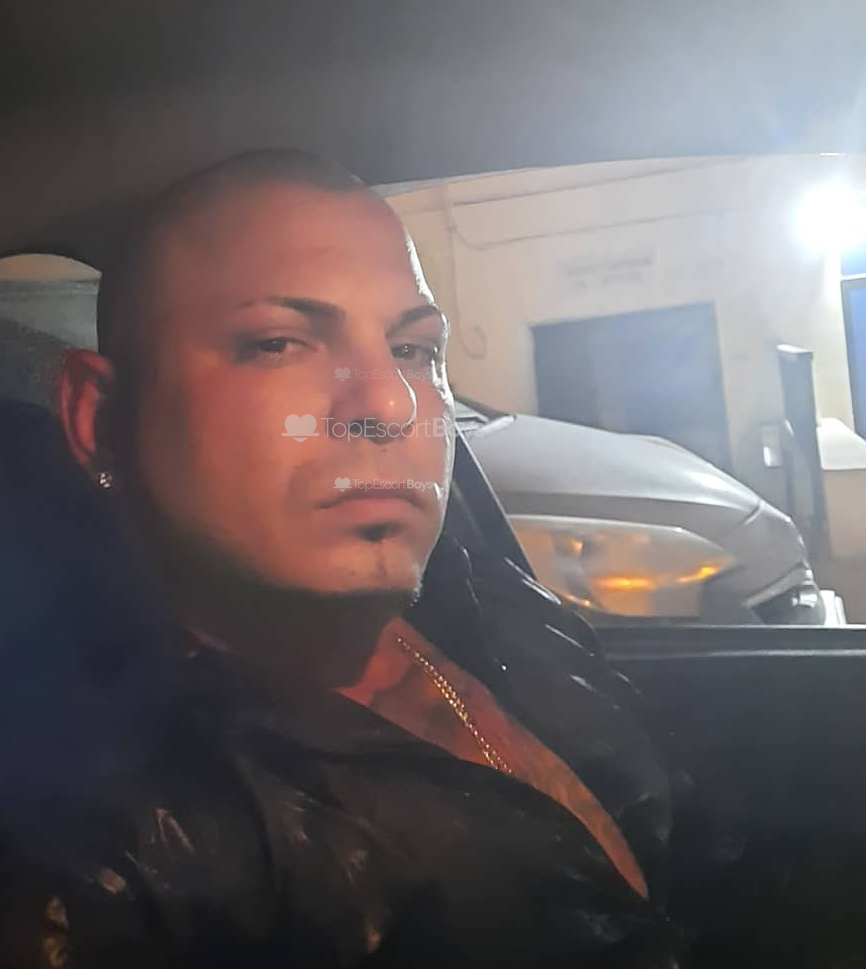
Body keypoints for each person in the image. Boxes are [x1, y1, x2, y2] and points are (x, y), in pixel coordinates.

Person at [48, 148, 679, 966]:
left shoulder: (492, 602)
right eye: (278, 343)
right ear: (100, 419)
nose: (390, 401)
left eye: (412, 350)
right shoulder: (108, 830)